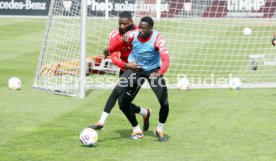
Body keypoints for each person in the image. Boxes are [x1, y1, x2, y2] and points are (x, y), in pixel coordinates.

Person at [110, 16, 170, 142]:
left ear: (151, 29)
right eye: (140, 27)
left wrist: (159, 73)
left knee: (164, 102)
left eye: (144, 28)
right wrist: (108, 50)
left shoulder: (158, 39)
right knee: (122, 103)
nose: (141, 30)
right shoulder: (133, 34)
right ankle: (137, 130)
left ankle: (159, 129)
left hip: (153, 71)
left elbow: (166, 60)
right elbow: (119, 42)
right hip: (135, 68)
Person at [89, 11, 151, 131]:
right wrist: (127, 65)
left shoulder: (140, 31)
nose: (122, 26)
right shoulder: (114, 35)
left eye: (125, 24)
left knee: (120, 99)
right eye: (120, 23)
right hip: (126, 69)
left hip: (139, 70)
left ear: (131, 22)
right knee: (122, 103)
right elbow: (113, 58)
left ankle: (135, 130)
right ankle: (145, 113)